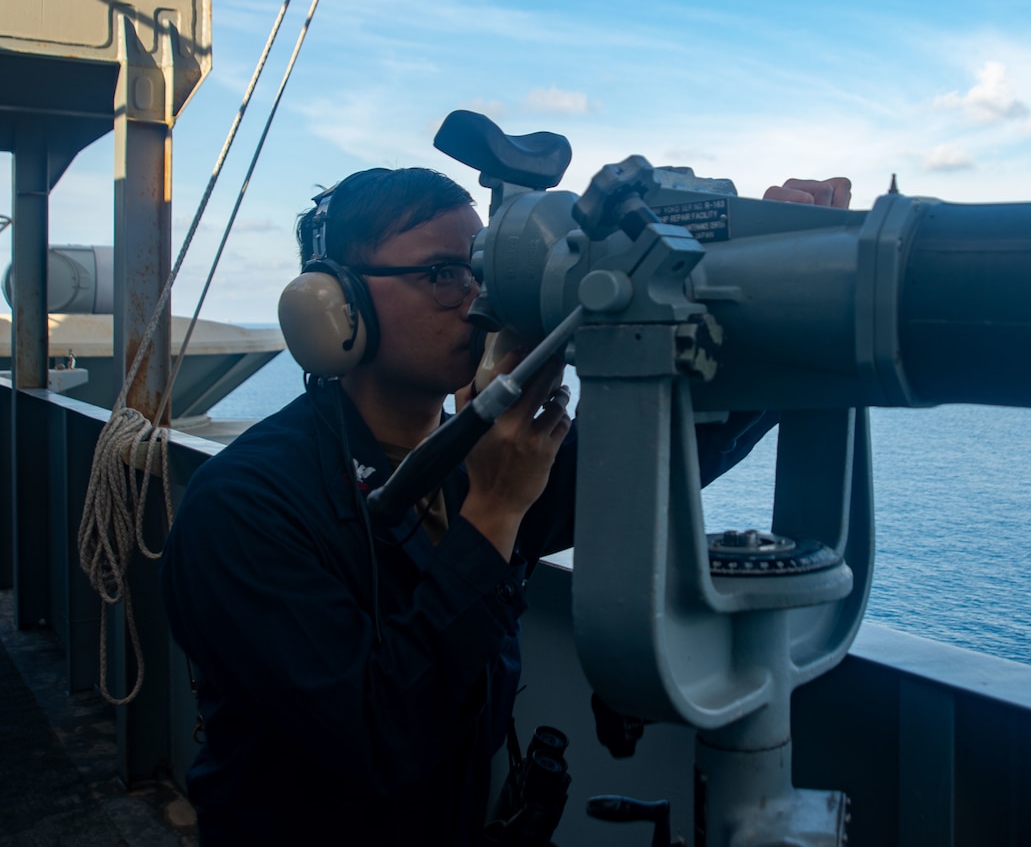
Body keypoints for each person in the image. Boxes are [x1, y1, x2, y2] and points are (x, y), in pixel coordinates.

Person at [159, 165, 851, 845]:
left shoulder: (479, 458)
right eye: (442, 273)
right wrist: (491, 514)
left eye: (482, 269)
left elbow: (667, 455)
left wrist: (771, 287)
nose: (478, 298)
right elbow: (376, 736)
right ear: (337, 303)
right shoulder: (244, 510)